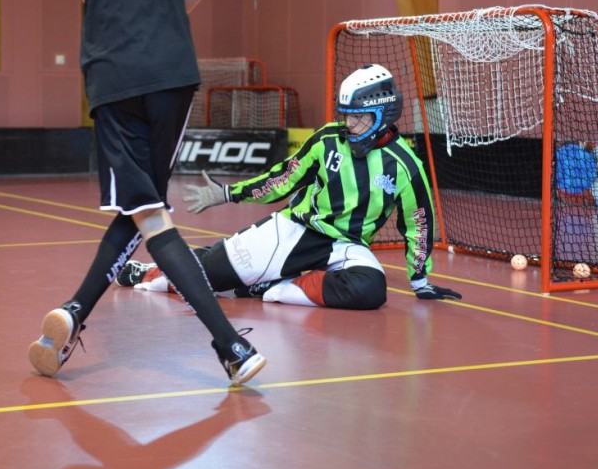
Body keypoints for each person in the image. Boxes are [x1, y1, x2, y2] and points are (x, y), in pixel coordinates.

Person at [28, 0, 265, 386]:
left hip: (114, 77)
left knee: (149, 214)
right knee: (143, 206)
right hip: (172, 73)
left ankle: (230, 346)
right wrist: (161, 29)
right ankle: (74, 311)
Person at [115, 64, 463, 309]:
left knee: (371, 290)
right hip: (295, 229)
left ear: (383, 115)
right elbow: (283, 178)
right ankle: (150, 272)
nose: (350, 124)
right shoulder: (328, 139)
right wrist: (228, 193)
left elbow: (418, 223)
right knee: (209, 278)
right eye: (347, 116)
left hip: (345, 246)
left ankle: (275, 288)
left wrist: (419, 280)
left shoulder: (406, 165)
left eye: (360, 118)